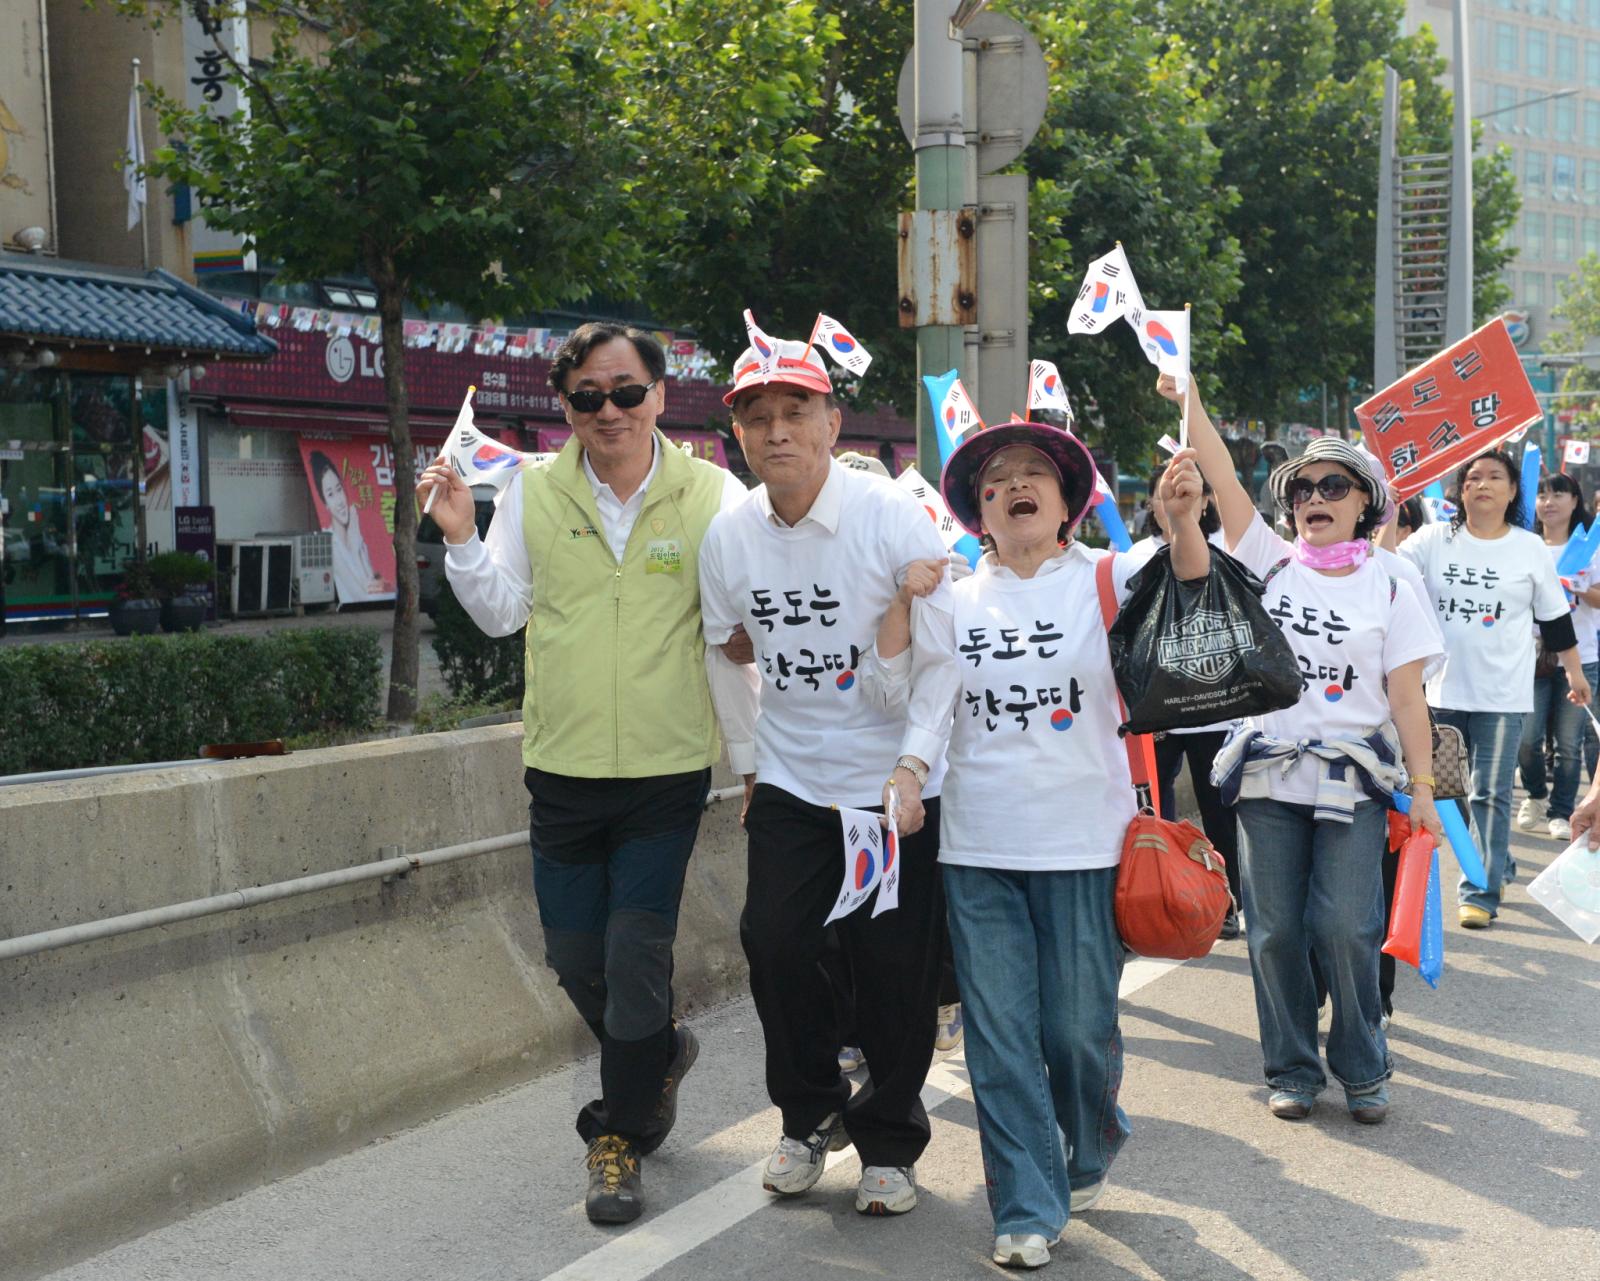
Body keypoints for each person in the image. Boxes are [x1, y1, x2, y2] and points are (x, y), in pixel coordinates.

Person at [416, 322, 758, 1225]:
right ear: (565, 404)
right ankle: (661, 1054)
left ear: (661, 395)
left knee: (633, 956)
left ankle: (619, 1135)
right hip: (562, 772)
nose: (609, 411)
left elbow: (734, 643)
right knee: (575, 957)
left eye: (627, 391)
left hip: (664, 772)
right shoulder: (533, 492)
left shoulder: (713, 495)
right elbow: (500, 613)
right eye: (588, 397)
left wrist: (755, 761)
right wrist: (460, 541)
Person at [898, 418, 1210, 1270]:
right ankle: (1025, 1205)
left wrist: (1182, 518)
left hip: (1085, 843)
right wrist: (908, 769)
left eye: (1036, 473)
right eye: (996, 481)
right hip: (979, 846)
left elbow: (1191, 582)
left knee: (1076, 1030)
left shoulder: (1110, 575)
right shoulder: (955, 597)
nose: (1016, 485)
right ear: (979, 512)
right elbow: (932, 697)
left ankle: (1093, 1132)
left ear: (1068, 502)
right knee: (999, 1035)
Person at [698, 324, 960, 1218]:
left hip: (883, 788)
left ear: (832, 422)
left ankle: (889, 1140)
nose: (777, 431)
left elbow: (941, 657)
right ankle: (807, 1116)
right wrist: (748, 766)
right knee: (774, 942)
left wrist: (916, 765)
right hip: (792, 777)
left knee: (892, 968)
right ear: (737, 432)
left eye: (795, 412)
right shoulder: (729, 535)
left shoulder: (890, 516)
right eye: (758, 416)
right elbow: (724, 650)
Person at [1175, 374, 1444, 1127]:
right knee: (1275, 930)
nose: (1312, 498)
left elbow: (1405, 696)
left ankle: (1362, 1063)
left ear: (1365, 501)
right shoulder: (1268, 561)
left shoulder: (1394, 579)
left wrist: (1420, 786)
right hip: (1269, 774)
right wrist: (1190, 388)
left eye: (1332, 484)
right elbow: (1221, 474)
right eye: (1301, 490)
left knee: (1346, 926)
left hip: (1355, 780)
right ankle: (1292, 1066)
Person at [1394, 450, 1591, 928]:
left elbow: (1555, 617)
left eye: (1494, 477)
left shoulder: (1527, 547)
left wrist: (1575, 672)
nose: (1481, 484)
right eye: (1472, 477)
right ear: (1460, 490)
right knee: (1446, 794)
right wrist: (1386, 510)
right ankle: (1495, 860)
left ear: (1510, 491)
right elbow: (1385, 566)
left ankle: (1480, 891)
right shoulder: (1435, 538)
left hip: (1502, 695)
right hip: (1439, 691)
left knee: (1490, 793)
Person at [1130, 464, 1241, 938]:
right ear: (1152, 505)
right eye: (1162, 493)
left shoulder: (1224, 555)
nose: (1171, 501)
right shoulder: (1132, 560)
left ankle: (1225, 901)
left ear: (1204, 500)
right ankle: (1161, 902)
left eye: (1184, 491)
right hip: (1154, 713)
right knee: (1152, 814)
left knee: (1221, 814)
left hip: (1215, 710)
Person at [1516, 473, 1600, 841]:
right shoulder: (1523, 545)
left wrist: (1579, 587)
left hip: (1581, 658)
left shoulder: (1591, 548)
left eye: (1557, 494)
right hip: (1530, 657)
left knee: (1569, 743)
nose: (1548, 502)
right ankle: (1535, 794)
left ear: (1574, 500)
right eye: (1541, 495)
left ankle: (1561, 810)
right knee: (1527, 739)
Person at [309, 449, 385, 601]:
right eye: (330, 494)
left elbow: (374, 587)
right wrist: (355, 546)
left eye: (339, 489)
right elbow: (362, 594)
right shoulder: (330, 543)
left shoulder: (356, 536)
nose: (339, 501)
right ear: (325, 503)